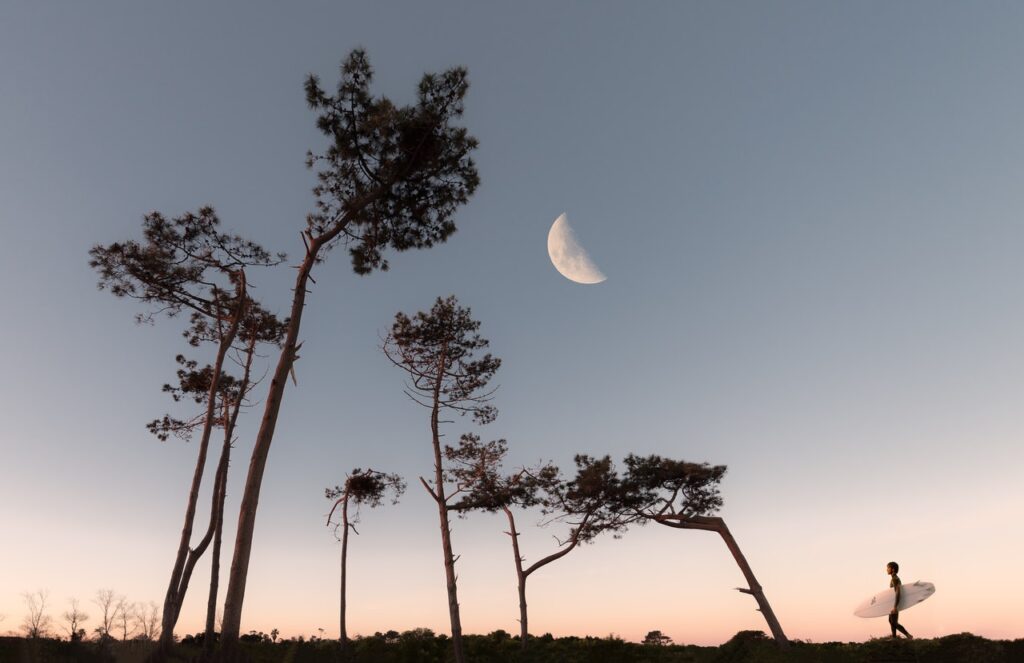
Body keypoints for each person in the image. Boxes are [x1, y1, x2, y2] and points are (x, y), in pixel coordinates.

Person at [887, 561, 913, 639]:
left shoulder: (895, 579)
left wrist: (895, 606)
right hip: (893, 602)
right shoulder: (893, 578)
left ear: (893, 569)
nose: (886, 569)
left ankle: (908, 635)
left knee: (894, 622)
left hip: (896, 603)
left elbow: (898, 592)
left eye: (888, 568)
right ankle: (894, 638)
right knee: (891, 621)